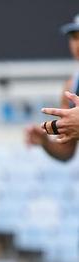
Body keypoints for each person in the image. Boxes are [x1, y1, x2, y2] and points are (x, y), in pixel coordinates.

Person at [25, 14, 79, 160]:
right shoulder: (72, 86)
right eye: (74, 37)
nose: (78, 44)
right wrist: (45, 142)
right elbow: (66, 150)